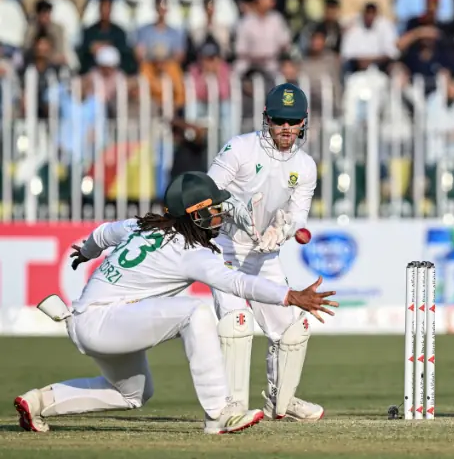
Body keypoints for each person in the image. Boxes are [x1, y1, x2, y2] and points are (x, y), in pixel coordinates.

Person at [13, 172, 338, 434]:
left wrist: (85, 252)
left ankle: (38, 402)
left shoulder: (140, 225)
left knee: (133, 395)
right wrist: (290, 296)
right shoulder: (190, 252)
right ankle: (219, 414)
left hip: (91, 319)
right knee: (195, 312)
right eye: (213, 210)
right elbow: (239, 283)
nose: (219, 216)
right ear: (194, 215)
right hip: (103, 321)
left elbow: (101, 233)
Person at [206, 83, 321, 421]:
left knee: (291, 332)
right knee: (236, 325)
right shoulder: (240, 149)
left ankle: (279, 400)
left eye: (293, 121)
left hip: (263, 254)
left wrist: (283, 230)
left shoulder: (306, 165)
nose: (286, 129)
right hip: (224, 249)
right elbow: (207, 192)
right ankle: (230, 408)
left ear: (304, 123)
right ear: (267, 119)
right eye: (280, 121)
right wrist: (232, 212)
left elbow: (298, 216)